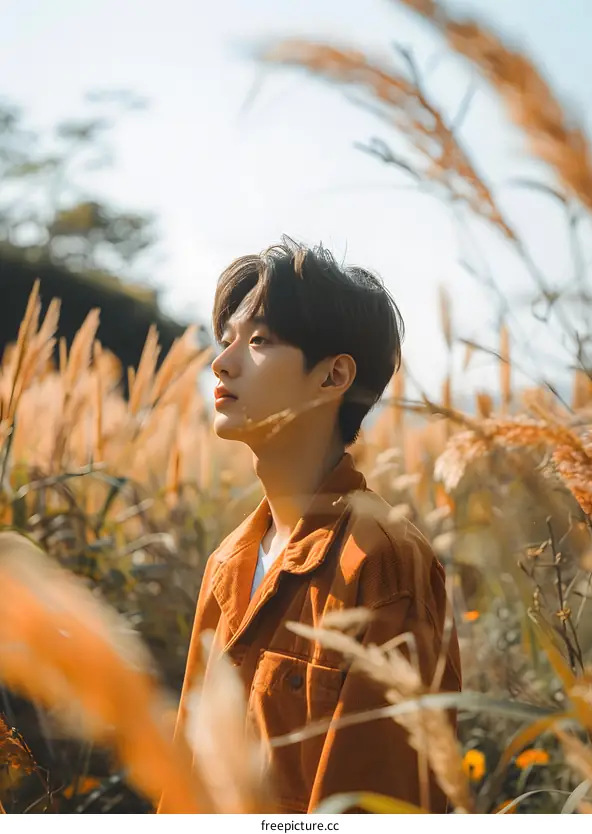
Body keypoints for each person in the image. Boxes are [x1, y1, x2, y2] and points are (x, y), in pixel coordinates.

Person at [157, 237, 461, 814]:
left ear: (333, 376)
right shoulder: (230, 559)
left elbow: (376, 808)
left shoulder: (384, 565)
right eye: (227, 342)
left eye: (261, 341)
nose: (222, 362)